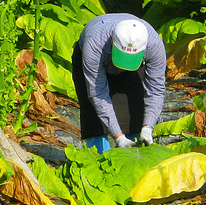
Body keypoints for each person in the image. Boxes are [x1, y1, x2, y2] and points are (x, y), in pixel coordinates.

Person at [71, 14, 166, 152]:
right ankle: (98, 157)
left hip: (134, 69)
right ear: (112, 39)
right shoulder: (94, 43)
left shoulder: (154, 45)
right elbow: (98, 94)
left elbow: (156, 89)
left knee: (135, 117)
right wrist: (118, 137)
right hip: (97, 62)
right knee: (95, 122)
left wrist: (148, 127)